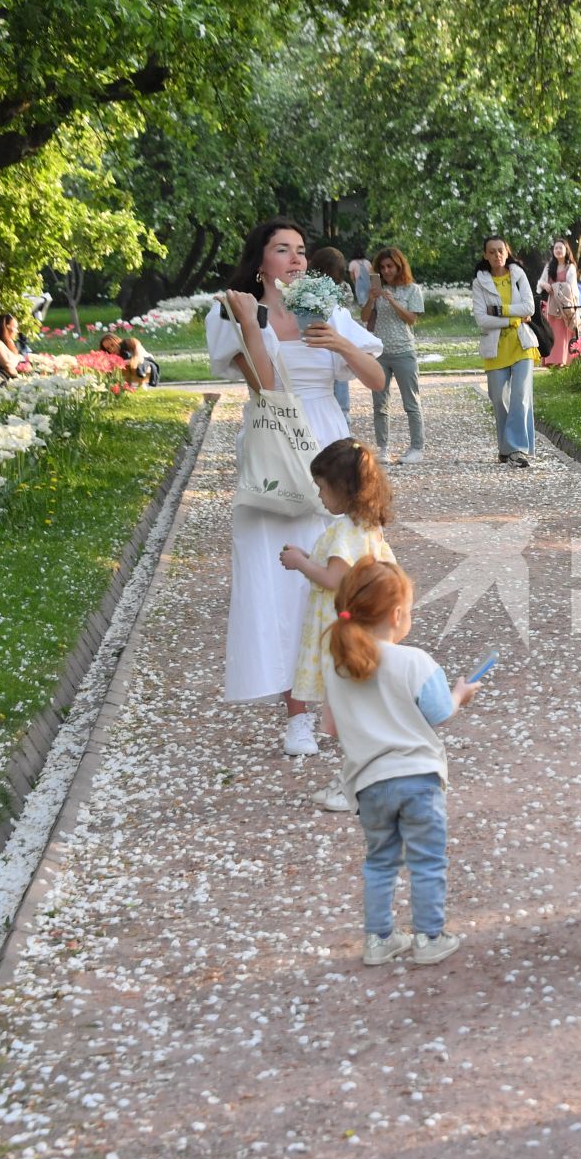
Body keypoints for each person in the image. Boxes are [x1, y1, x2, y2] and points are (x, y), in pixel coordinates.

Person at [207, 216, 385, 755]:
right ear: (260, 259)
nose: (296, 259)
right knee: (277, 578)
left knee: (339, 572)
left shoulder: (324, 307)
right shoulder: (234, 310)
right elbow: (262, 385)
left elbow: (376, 381)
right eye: (282, 249)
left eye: (301, 250)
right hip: (273, 441)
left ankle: (345, 702)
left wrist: (342, 345)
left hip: (328, 442)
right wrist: (250, 323)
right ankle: (296, 716)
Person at [324, 556, 480, 968]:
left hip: (369, 784)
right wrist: (460, 693)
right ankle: (429, 937)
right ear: (397, 615)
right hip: (418, 779)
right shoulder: (415, 662)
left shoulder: (339, 665)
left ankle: (379, 940)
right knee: (427, 861)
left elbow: (331, 728)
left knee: (379, 861)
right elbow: (438, 713)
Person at [280, 438, 399, 811]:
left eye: (322, 487)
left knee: (350, 714)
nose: (319, 494)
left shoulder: (347, 531)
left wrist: (300, 563)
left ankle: (358, 785)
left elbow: (336, 579)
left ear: (343, 489)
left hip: (342, 633)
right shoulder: (367, 527)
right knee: (357, 711)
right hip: (360, 630)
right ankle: (361, 779)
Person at [471, 236, 540, 467]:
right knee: (499, 400)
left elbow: (529, 307)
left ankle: (517, 450)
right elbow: (482, 319)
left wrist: (500, 310)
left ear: (507, 251)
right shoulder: (480, 282)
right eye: (491, 252)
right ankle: (505, 449)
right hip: (496, 347)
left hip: (522, 344)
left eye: (500, 250)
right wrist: (511, 320)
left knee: (520, 397)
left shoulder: (518, 275)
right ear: (485, 255)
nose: (497, 255)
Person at [361, 246, 427, 464]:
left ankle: (417, 447)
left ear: (399, 267)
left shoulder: (412, 290)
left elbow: (411, 319)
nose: (386, 270)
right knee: (380, 404)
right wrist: (371, 300)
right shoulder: (376, 291)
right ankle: (383, 448)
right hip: (380, 353)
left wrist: (391, 300)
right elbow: (365, 319)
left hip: (403, 352)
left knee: (411, 402)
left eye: (390, 266)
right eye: (382, 267)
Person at [312, 248, 356, 416]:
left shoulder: (343, 288)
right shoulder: (308, 287)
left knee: (341, 392)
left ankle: (343, 427)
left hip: (337, 341)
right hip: (318, 342)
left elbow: (341, 310)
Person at [537, 238, 581, 368]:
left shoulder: (570, 267)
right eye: (556, 248)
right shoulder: (549, 266)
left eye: (560, 248)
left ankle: (562, 360)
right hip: (551, 304)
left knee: (562, 331)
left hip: (564, 303)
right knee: (551, 332)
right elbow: (540, 283)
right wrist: (545, 284)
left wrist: (557, 287)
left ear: (566, 250)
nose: (558, 250)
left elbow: (572, 287)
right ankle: (550, 359)